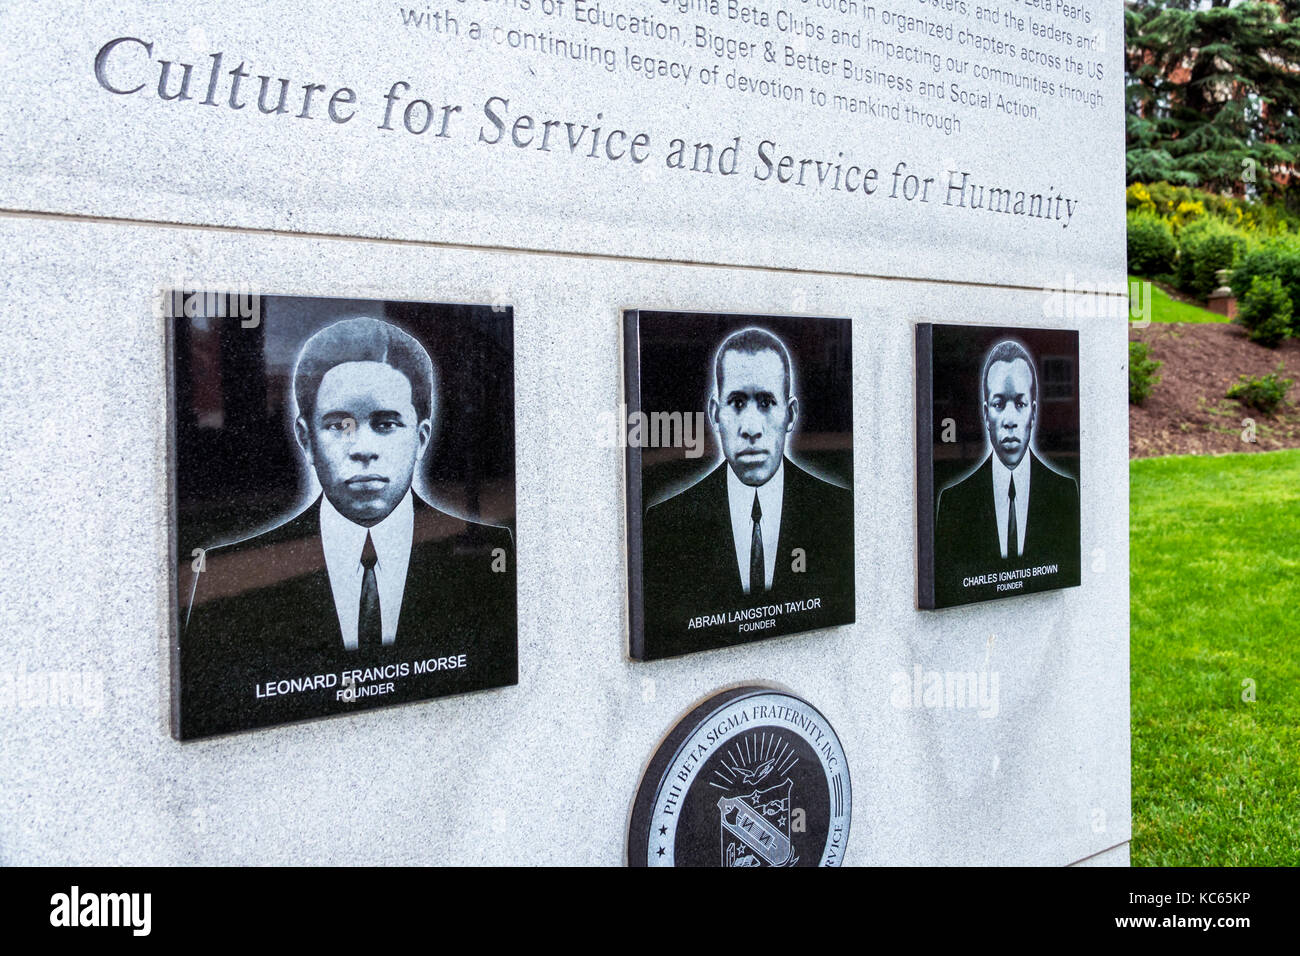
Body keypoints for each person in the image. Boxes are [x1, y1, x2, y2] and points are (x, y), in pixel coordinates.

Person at [179, 317, 515, 738]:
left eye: (386, 424)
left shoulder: (493, 555)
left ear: (421, 436)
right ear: (305, 439)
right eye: (338, 425)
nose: (362, 449)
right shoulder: (221, 580)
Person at [639, 327, 853, 659]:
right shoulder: (668, 522)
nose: (751, 428)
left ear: (791, 414)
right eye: (737, 403)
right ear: (714, 413)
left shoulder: (836, 510)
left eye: (767, 402)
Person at [933, 339, 1080, 605]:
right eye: (1000, 404)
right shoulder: (954, 502)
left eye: (1021, 404)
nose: (1010, 420)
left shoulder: (1064, 492)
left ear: (1033, 413)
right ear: (986, 414)